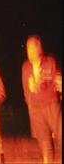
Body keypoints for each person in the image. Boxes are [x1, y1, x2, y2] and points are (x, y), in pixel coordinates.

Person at [22, 35, 63, 164]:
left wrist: (56, 84)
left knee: (61, 136)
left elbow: (57, 81)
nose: (29, 52)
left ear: (39, 48)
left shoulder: (50, 61)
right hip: (36, 110)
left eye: (32, 48)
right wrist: (31, 101)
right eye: (28, 48)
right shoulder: (25, 67)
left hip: (51, 105)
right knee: (45, 144)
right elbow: (26, 89)